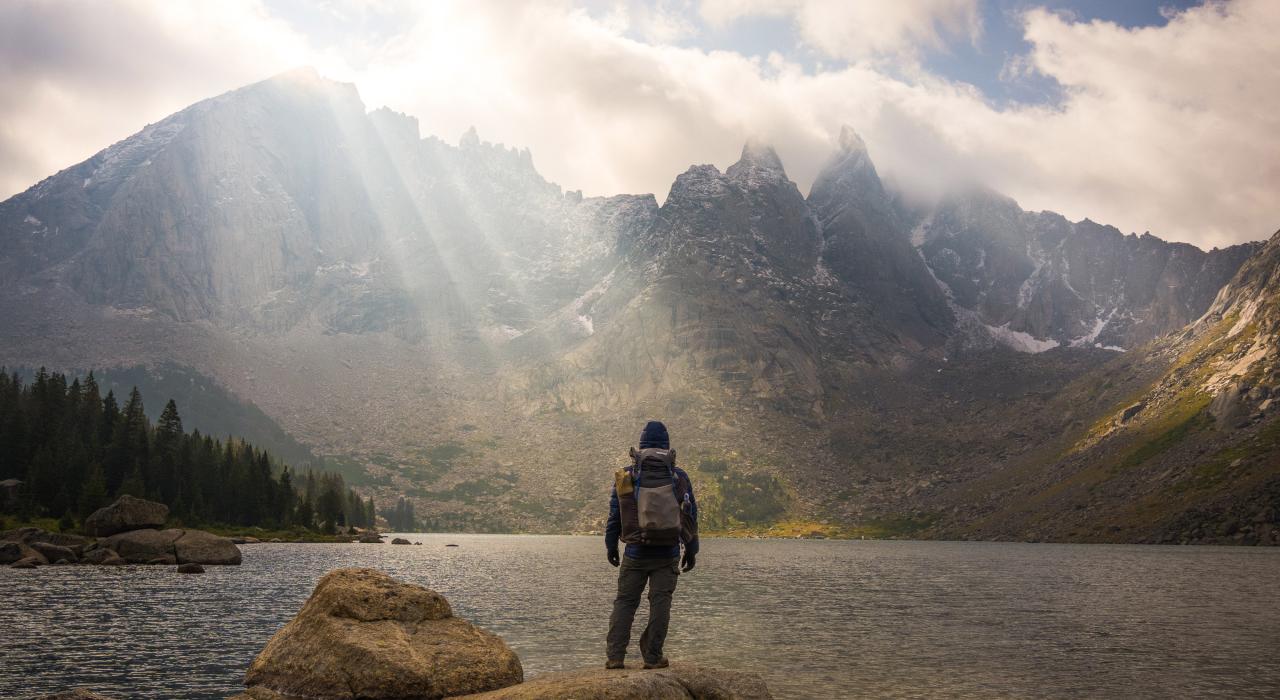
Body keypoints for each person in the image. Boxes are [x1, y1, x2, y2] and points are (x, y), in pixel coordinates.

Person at [604, 420, 699, 670]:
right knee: (660, 603)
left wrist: (611, 545)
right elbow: (690, 516)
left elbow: (615, 514)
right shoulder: (679, 476)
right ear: (666, 446)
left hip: (635, 551)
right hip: (667, 552)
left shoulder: (626, 475)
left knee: (625, 602)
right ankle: (653, 657)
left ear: (641, 444)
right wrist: (691, 550)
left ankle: (615, 657)